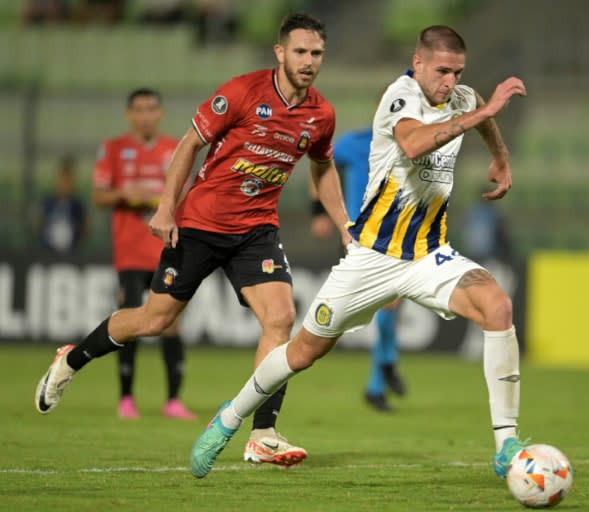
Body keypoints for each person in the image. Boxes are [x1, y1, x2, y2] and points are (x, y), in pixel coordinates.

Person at [188, 24, 528, 480]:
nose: (449, 81)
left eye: (457, 72)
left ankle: (506, 447)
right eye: (442, 71)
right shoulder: (401, 96)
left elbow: (481, 116)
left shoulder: (462, 98)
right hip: (371, 259)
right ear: (419, 62)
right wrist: (485, 108)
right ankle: (228, 419)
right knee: (303, 352)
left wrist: (500, 158)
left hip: (429, 255)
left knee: (497, 305)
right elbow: (413, 142)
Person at [34, 12, 351, 468]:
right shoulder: (242, 92)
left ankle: (262, 433)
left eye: (316, 53)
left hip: (257, 230)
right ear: (279, 52)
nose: (308, 61)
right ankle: (72, 359)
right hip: (200, 224)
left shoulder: (321, 114)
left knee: (280, 320)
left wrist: (341, 222)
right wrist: (166, 206)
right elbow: (189, 143)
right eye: (299, 51)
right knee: (153, 320)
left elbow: (322, 168)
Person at [91, 87, 195, 420]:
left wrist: (161, 199)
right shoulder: (113, 149)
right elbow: (98, 196)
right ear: (129, 115)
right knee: (130, 319)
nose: (146, 115)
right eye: (139, 109)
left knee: (171, 324)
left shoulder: (174, 150)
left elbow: (189, 194)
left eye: (152, 108)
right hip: (130, 251)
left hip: (167, 249)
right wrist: (125, 192)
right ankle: (126, 399)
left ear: (160, 113)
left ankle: (173, 400)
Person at [310, 123, 407, 413]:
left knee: (393, 302)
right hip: (360, 235)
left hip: (399, 234)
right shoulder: (355, 143)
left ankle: (386, 364)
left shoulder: (414, 142)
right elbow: (317, 162)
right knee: (385, 303)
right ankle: (379, 378)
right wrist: (318, 210)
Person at [39, 155, 88, 254]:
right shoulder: (48, 202)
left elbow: (85, 227)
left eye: (68, 181)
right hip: (48, 252)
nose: (65, 185)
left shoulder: (77, 205)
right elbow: (40, 223)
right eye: (62, 180)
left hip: (72, 252)